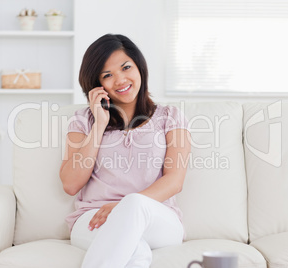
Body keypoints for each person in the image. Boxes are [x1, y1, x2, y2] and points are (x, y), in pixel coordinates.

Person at [59, 34, 191, 268]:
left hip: (157, 218)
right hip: (94, 217)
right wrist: (99, 124)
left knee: (134, 204)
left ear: (140, 67)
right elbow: (70, 184)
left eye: (126, 67)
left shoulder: (170, 117)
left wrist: (124, 206)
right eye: (107, 75)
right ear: (96, 84)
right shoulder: (83, 121)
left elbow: (174, 180)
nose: (120, 80)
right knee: (135, 251)